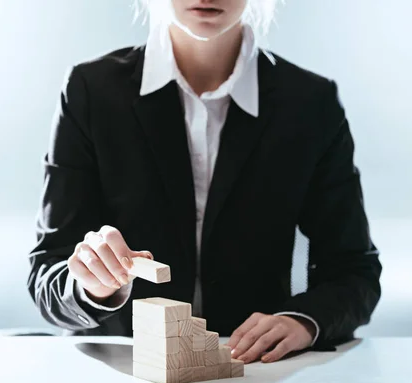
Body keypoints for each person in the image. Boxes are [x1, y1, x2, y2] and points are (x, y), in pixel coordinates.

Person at [28, 0, 382, 364]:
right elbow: (48, 274)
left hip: (252, 370)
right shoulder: (91, 91)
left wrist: (303, 322)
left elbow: (354, 272)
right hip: (125, 370)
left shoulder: (310, 104)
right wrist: (93, 286)